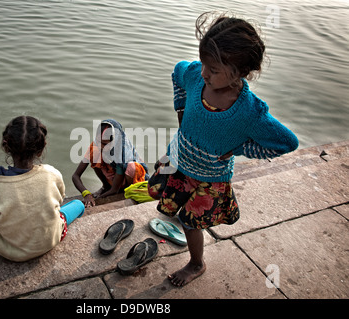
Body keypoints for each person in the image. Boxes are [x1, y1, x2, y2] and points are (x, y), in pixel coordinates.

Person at [148, 13, 299, 287]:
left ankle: (196, 263)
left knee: (191, 223)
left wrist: (241, 148)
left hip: (208, 177)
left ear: (241, 71)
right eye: (204, 64)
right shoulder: (195, 76)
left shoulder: (249, 112)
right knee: (161, 196)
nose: (204, 72)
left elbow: (286, 143)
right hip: (179, 158)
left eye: (213, 70)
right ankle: (173, 211)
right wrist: (180, 108)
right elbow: (178, 71)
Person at [0, 115, 84, 262]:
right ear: (41, 150)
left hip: (6, 249)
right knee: (78, 204)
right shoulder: (52, 174)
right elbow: (59, 201)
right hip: (49, 241)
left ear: (6, 147)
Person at [72, 119, 149, 207]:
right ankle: (105, 186)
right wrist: (86, 194)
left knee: (131, 167)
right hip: (113, 177)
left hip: (126, 180)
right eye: (98, 141)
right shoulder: (96, 146)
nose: (100, 146)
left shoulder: (122, 151)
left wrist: (99, 199)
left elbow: (114, 190)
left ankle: (126, 192)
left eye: (105, 144)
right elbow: (75, 176)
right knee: (95, 151)